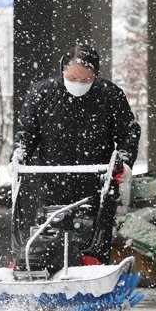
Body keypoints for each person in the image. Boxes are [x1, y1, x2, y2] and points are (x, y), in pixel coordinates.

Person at [11, 43, 141, 262]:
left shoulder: (110, 96)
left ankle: (94, 272)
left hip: (98, 184)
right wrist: (18, 157)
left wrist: (125, 162)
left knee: (93, 241)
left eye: (85, 80)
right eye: (72, 78)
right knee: (49, 239)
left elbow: (129, 132)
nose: (78, 84)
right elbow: (27, 133)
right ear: (62, 71)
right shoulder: (41, 94)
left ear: (95, 75)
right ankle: (43, 272)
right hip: (53, 184)